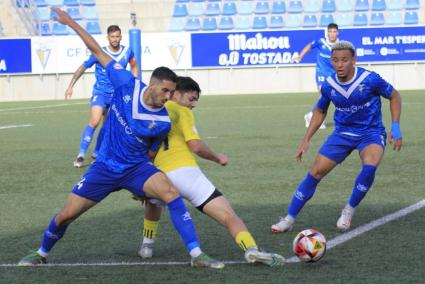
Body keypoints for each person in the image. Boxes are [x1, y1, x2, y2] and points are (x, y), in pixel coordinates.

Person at [18, 7, 224, 269]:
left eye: (172, 93)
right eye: (165, 91)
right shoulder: (125, 82)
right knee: (66, 215)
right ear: (152, 84)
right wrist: (70, 22)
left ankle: (197, 255)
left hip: (136, 168)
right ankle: (41, 253)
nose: (168, 97)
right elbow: (96, 50)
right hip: (104, 166)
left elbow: (150, 153)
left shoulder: (162, 121)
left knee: (171, 193)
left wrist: (146, 184)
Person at [136, 76, 285, 266]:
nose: (194, 104)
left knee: (153, 202)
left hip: (159, 175)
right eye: (191, 98)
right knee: (228, 215)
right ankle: (251, 249)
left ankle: (147, 246)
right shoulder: (182, 111)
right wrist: (217, 157)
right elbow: (195, 146)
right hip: (186, 173)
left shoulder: (150, 110)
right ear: (175, 93)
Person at [272, 40, 402, 234]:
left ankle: (348, 211)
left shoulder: (370, 79)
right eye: (335, 60)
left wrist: (396, 127)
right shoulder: (329, 85)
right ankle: (289, 219)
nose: (339, 64)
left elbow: (394, 96)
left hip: (371, 133)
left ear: (353, 60)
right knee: (315, 173)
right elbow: (320, 111)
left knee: (369, 166)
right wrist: (306, 140)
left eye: (344, 60)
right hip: (342, 133)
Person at [65, 25, 139, 168]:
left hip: (117, 95)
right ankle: (81, 155)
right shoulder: (100, 53)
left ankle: (96, 154)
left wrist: (134, 80)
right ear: (108, 38)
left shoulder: (127, 51)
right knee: (95, 121)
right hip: (100, 93)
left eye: (117, 36)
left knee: (107, 127)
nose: (115, 39)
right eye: (112, 37)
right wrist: (70, 86)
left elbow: (134, 65)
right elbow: (83, 67)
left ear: (121, 37)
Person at [292, 23, 340, 129]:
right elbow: (310, 46)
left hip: (333, 75)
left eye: (334, 32)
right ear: (327, 33)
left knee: (327, 98)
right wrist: (300, 56)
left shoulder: (340, 45)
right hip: (321, 73)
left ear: (338, 33)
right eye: (330, 32)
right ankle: (317, 119)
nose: (332, 34)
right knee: (324, 94)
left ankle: (310, 115)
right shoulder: (321, 42)